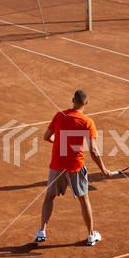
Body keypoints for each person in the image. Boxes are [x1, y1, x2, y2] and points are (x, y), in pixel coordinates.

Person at [34, 90, 112, 246]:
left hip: (57, 165)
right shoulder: (87, 122)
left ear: (72, 100)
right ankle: (91, 235)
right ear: (86, 103)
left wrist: (61, 143)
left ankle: (41, 231)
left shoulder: (59, 116)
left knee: (49, 197)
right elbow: (93, 150)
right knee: (84, 199)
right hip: (75, 166)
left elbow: (47, 137)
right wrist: (103, 169)